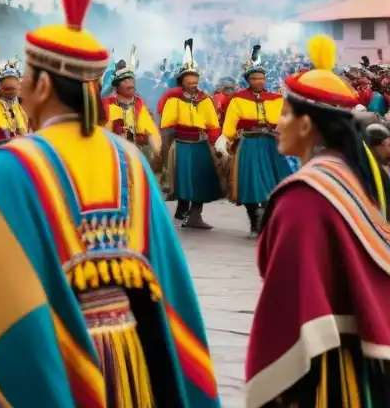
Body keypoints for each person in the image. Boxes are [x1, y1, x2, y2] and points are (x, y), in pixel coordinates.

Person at [0, 0, 219, 408]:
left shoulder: (12, 166)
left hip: (52, 357)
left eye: (25, 75)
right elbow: (168, 283)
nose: (20, 84)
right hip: (129, 355)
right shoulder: (130, 161)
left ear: (43, 86)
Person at [245, 34, 390, 407]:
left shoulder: (305, 195)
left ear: (307, 125)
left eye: (285, 114)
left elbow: (290, 297)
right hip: (363, 356)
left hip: (323, 368)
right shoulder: (353, 174)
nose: (278, 123)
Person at [215, 45, 287, 236]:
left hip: (272, 145)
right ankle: (254, 222)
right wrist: (225, 142)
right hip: (250, 145)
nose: (259, 81)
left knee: (275, 184)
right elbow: (229, 126)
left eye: (262, 78)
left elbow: (284, 121)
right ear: (248, 80)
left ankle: (269, 221)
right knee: (251, 184)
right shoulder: (237, 100)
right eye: (254, 78)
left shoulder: (276, 99)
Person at [160, 39, 223, 229]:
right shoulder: (174, 99)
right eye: (189, 81)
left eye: (195, 80)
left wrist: (216, 143)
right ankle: (183, 209)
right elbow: (167, 124)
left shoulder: (205, 100)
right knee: (183, 179)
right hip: (181, 144)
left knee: (201, 179)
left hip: (200, 145)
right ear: (182, 81)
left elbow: (212, 124)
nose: (193, 84)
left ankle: (196, 215)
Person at [102, 46, 162, 168]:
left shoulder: (139, 104)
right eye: (125, 81)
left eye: (131, 80)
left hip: (138, 153)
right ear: (116, 87)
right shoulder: (108, 104)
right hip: (115, 155)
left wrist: (156, 147)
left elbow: (150, 129)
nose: (130, 84)